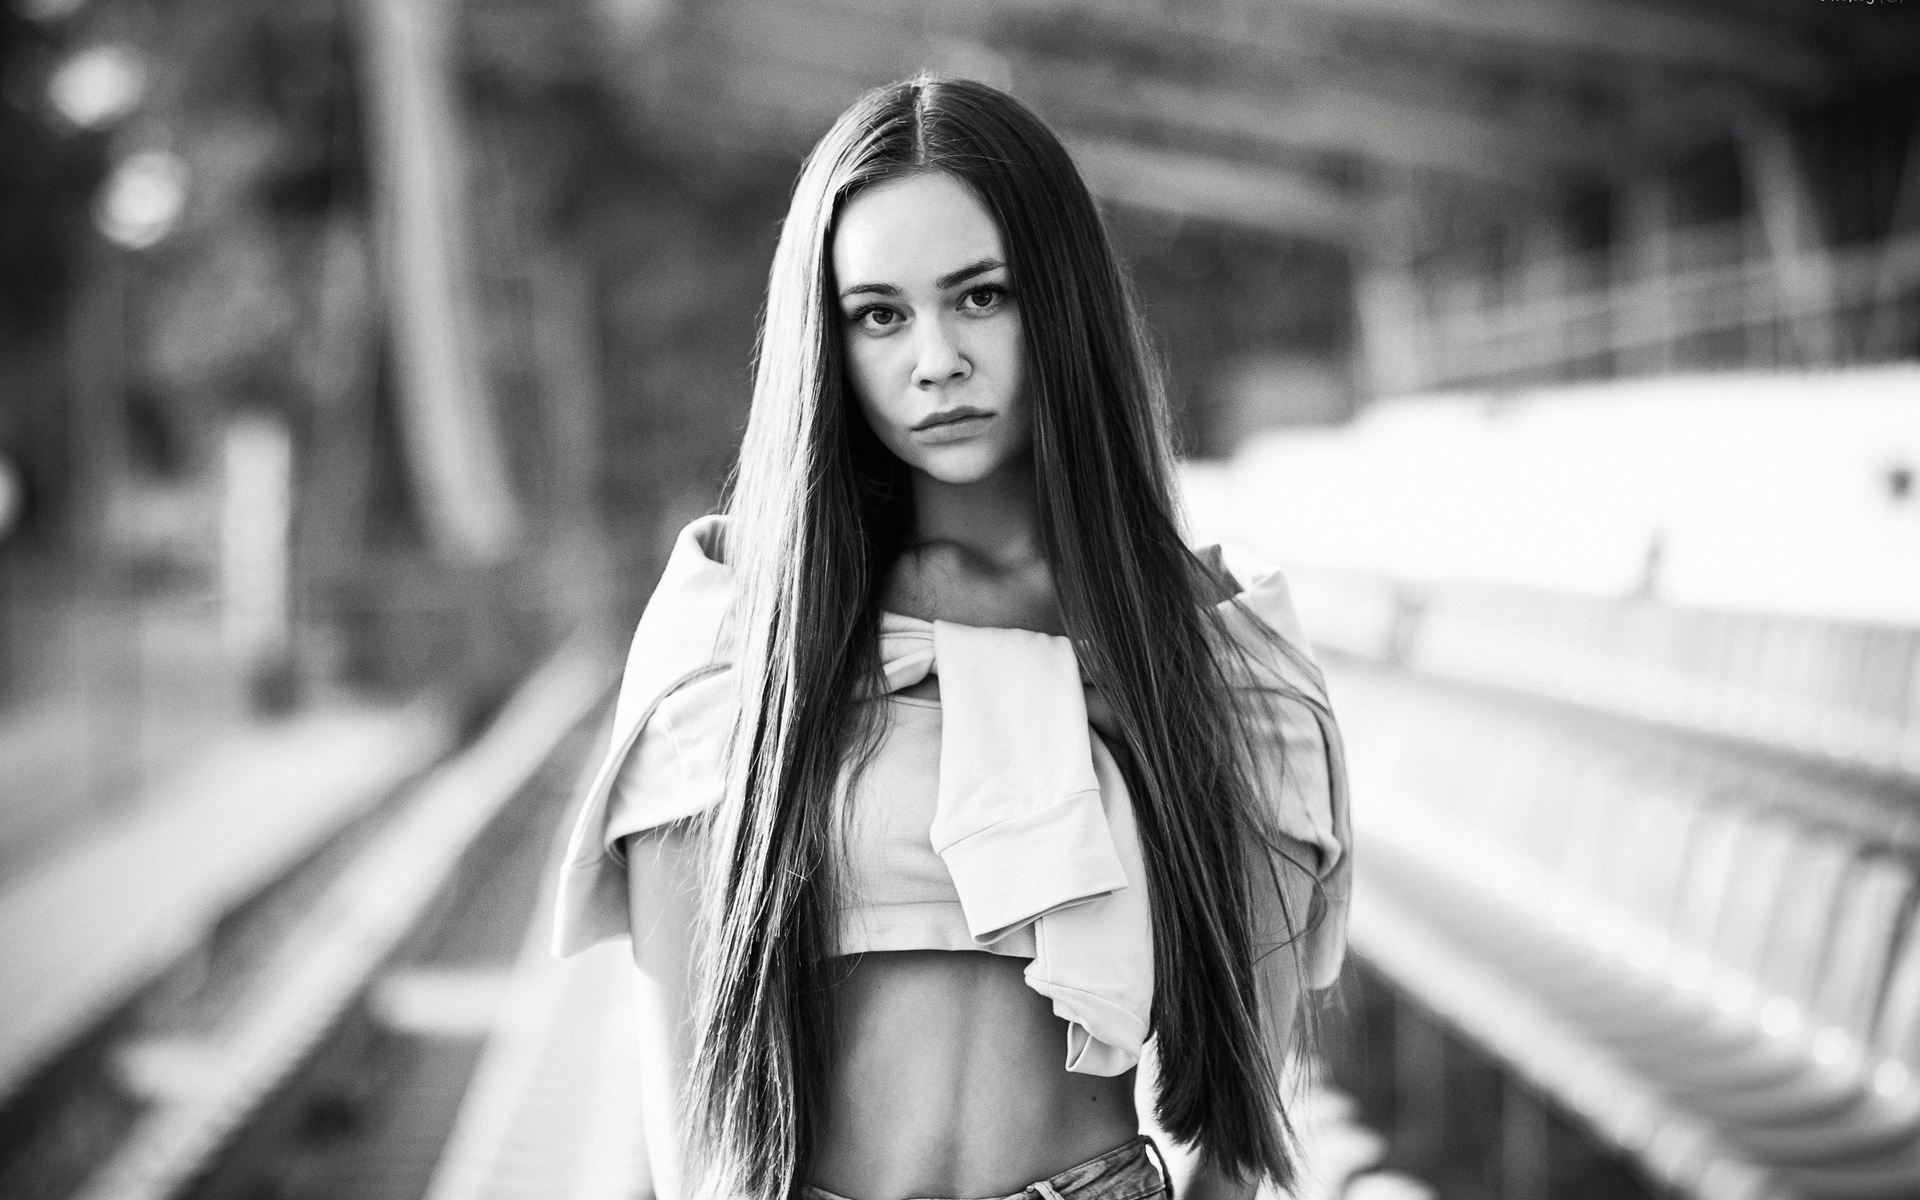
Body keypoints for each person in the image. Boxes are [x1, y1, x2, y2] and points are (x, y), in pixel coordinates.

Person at [551, 75, 1351, 1200]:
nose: (936, 359)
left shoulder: (1217, 656)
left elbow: (1241, 1141)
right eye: (880, 313)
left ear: (1061, 303)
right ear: (827, 343)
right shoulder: (739, 632)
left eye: (981, 296)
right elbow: (696, 1126)